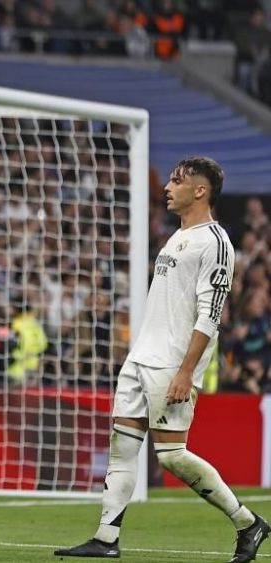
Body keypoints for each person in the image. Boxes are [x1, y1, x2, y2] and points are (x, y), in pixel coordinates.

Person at [55, 157, 268, 563]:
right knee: (122, 446)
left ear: (200, 191)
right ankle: (106, 538)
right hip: (141, 358)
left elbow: (210, 314)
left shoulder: (216, 241)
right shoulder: (176, 237)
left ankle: (247, 522)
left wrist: (186, 371)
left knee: (171, 455)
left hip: (172, 363)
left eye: (177, 180)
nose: (168, 187)